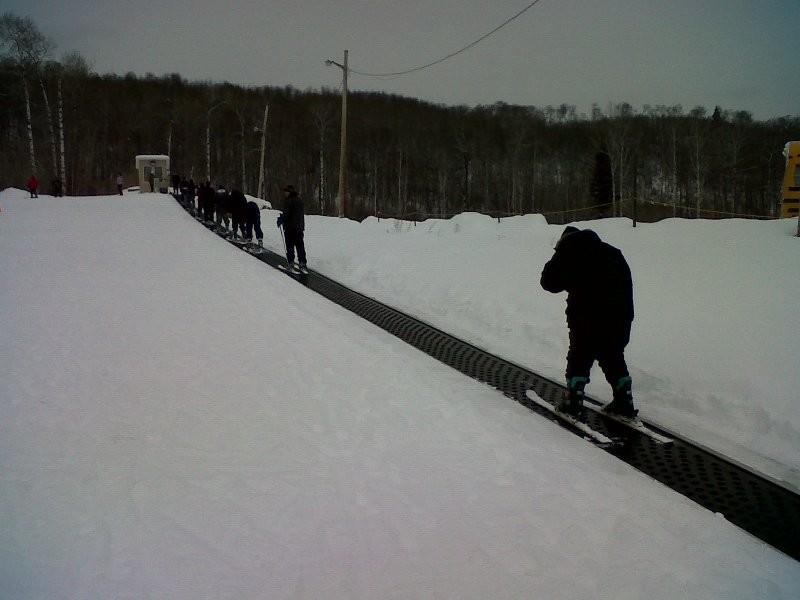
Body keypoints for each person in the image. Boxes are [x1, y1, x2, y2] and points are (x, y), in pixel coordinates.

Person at [540, 225, 636, 417]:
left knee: (580, 355)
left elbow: (548, 282)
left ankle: (573, 401)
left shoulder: (568, 253)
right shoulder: (612, 252)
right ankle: (623, 400)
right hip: (620, 315)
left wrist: (559, 255)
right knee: (612, 354)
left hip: (587, 317)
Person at [276, 184, 306, 271]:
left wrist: (281, 219)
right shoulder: (299, 201)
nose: (284, 193)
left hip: (290, 227)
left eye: (286, 191)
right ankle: (302, 262)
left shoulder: (289, 201)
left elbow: (287, 214)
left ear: (289, 192)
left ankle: (291, 262)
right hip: (299, 227)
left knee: (290, 246)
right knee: (300, 245)